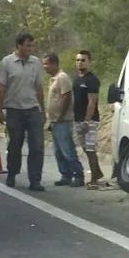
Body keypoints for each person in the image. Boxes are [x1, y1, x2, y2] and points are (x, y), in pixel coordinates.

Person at [0, 32, 46, 191]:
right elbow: (1, 87)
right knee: (15, 145)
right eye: (27, 45)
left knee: (37, 146)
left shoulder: (35, 62)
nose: (31, 48)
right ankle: (12, 174)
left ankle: (35, 180)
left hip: (32, 109)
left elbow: (39, 87)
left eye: (32, 45)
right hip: (14, 110)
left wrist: (43, 110)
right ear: (19, 46)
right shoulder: (7, 62)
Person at [42, 53, 85, 187]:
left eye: (46, 64)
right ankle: (65, 175)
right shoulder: (53, 79)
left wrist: (61, 115)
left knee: (67, 149)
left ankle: (78, 175)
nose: (44, 67)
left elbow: (66, 97)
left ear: (54, 64)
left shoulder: (62, 77)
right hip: (54, 120)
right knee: (58, 151)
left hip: (63, 120)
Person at [73, 50, 105, 189]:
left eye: (83, 60)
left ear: (89, 62)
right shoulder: (77, 79)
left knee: (91, 149)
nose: (80, 62)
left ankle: (94, 179)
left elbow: (92, 102)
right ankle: (98, 173)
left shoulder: (92, 80)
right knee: (85, 148)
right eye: (78, 60)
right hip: (77, 118)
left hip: (89, 120)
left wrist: (87, 120)